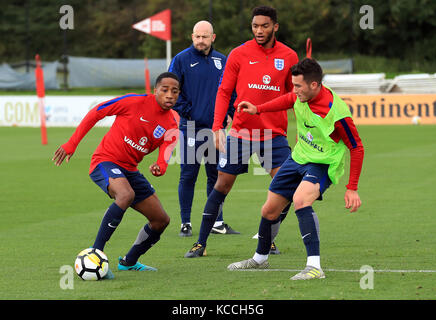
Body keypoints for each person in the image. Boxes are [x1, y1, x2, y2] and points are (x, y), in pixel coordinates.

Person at [227, 58, 365, 280]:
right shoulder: (300, 95)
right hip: (298, 157)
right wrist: (258, 109)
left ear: (314, 85)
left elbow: (357, 148)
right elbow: (288, 99)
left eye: (298, 85)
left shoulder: (336, 113)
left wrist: (352, 187)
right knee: (269, 210)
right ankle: (260, 259)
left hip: (323, 163)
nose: (295, 90)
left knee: (301, 200)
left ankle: (314, 267)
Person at [184, 6, 299, 258]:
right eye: (255, 26)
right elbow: (224, 91)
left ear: (275, 27)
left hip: (273, 136)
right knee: (222, 185)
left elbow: (295, 96)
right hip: (240, 134)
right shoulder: (239, 54)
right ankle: (200, 244)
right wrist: (216, 128)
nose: (259, 30)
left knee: (286, 188)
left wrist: (302, 129)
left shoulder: (289, 56)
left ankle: (267, 240)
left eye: (264, 26)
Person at [52, 72, 181, 277]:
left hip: (130, 170)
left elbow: (164, 157)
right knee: (125, 195)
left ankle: (129, 262)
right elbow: (97, 111)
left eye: (174, 92)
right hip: (105, 161)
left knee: (161, 220)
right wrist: (72, 143)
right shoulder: (133, 101)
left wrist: (160, 167)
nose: (169, 95)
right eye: (164, 90)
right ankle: (95, 254)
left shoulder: (172, 125)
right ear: (155, 90)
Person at [168, 20, 239, 237]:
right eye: (197, 36)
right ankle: (186, 223)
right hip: (190, 127)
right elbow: (171, 89)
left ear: (213, 38)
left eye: (205, 37)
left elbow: (231, 90)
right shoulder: (181, 59)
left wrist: (230, 113)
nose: (201, 40)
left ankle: (216, 222)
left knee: (216, 175)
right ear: (192, 37)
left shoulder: (222, 60)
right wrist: (189, 111)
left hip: (216, 129)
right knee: (188, 175)